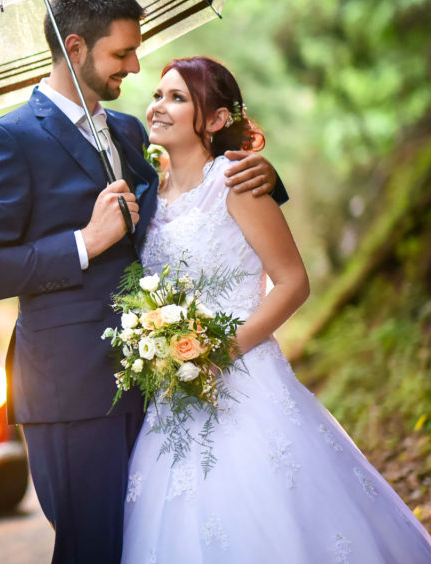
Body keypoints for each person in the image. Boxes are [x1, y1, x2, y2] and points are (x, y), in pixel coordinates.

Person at [0, 0, 281, 564]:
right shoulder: (8, 140)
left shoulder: (130, 130)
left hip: (153, 384)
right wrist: (84, 241)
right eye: (122, 54)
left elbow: (189, 202)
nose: (134, 65)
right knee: (92, 550)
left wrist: (260, 169)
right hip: (71, 389)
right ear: (75, 47)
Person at [121, 56, 431, 563]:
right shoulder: (148, 194)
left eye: (177, 97)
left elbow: (292, 282)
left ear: (217, 120)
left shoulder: (238, 180)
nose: (158, 106)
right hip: (174, 397)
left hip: (245, 380)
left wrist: (219, 352)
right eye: (158, 95)